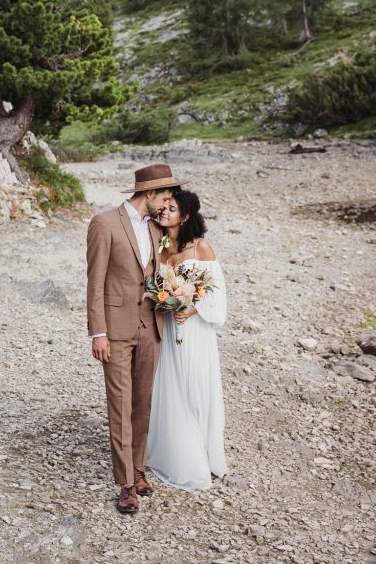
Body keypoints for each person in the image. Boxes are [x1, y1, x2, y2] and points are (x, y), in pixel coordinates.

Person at [86, 162, 180, 514]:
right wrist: (98, 332)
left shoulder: (156, 228)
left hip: (150, 327)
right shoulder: (105, 223)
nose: (167, 203)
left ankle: (139, 468)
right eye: (165, 196)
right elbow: (95, 282)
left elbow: (162, 271)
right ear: (149, 192)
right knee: (120, 406)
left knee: (143, 404)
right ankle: (126, 484)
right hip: (116, 329)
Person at [146, 188, 227, 490]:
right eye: (163, 206)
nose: (164, 210)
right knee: (172, 386)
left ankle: (205, 454)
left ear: (186, 215)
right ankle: (178, 453)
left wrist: (191, 309)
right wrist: (164, 301)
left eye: (171, 207)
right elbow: (159, 285)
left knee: (195, 385)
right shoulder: (163, 247)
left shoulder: (200, 248)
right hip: (169, 328)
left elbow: (216, 292)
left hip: (194, 330)